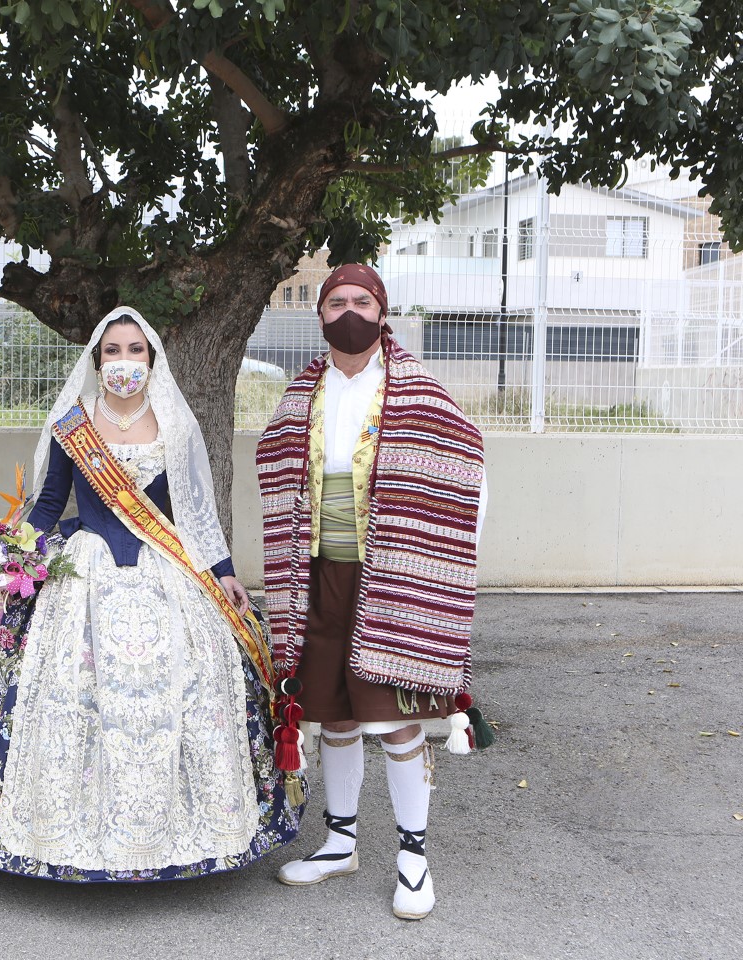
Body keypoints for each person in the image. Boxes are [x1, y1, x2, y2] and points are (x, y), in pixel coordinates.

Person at [0, 306, 301, 881]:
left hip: (165, 570)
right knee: (65, 684)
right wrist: (15, 561)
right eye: (113, 350)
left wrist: (224, 569)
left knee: (196, 673)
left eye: (135, 350)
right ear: (96, 359)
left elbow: (194, 510)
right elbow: (46, 504)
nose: (124, 361)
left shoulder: (176, 424)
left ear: (152, 359)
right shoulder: (74, 422)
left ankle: (197, 825)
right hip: (85, 571)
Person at [257, 264, 487, 919]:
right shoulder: (303, 392)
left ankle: (413, 857)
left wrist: (443, 554)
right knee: (334, 713)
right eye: (336, 302)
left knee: (392, 716)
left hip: (394, 573)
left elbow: (464, 462)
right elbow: (275, 462)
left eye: (362, 301)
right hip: (317, 574)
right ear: (320, 315)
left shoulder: (416, 391)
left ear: (382, 313)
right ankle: (340, 842)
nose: (348, 311)